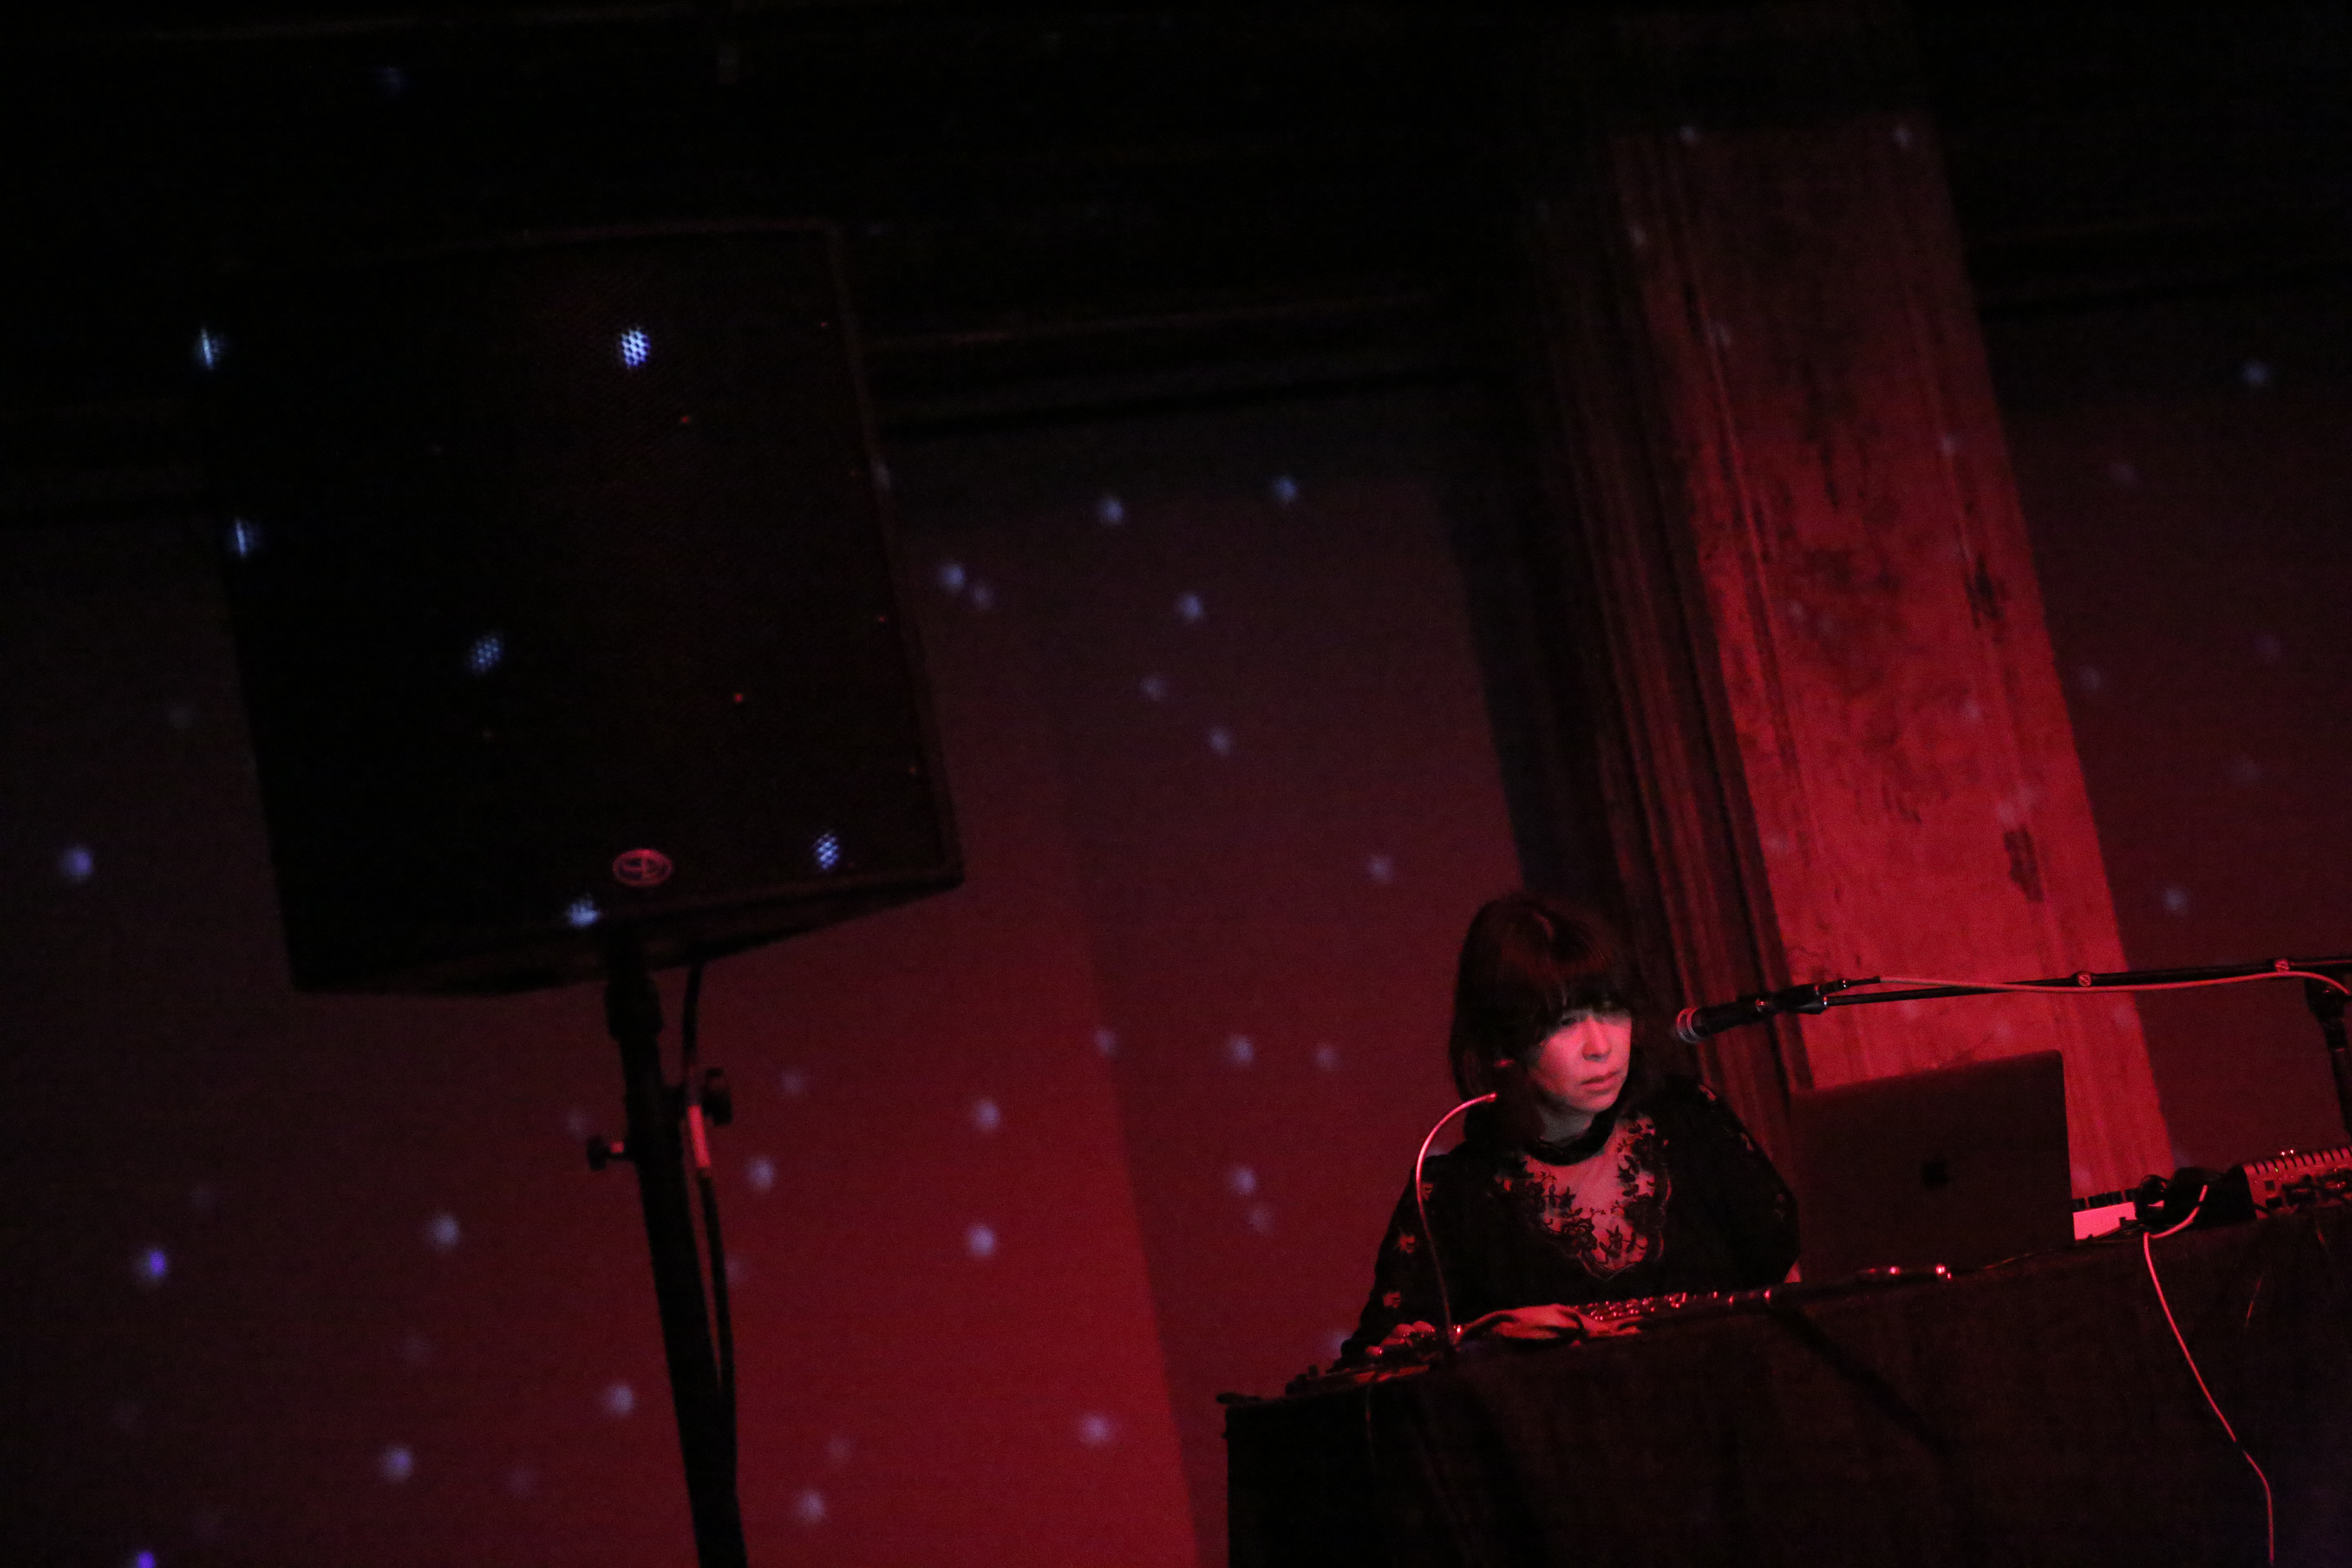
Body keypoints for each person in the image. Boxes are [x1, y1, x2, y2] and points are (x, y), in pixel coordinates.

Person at [1340, 892, 1797, 1361]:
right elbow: (1371, 1375)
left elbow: (1798, 1281)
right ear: (1503, 1040)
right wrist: (1474, 1344)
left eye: (1612, 1010)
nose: (1600, 1045)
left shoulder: (1690, 1120)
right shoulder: (1451, 1198)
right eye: (1566, 1021)